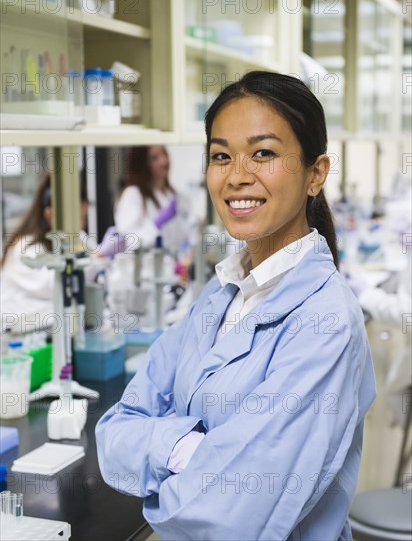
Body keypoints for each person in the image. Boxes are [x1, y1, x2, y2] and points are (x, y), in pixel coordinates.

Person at [96, 71, 376, 539]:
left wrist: (165, 450)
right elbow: (113, 433)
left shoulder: (327, 324)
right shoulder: (223, 292)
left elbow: (230, 516)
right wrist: (193, 452)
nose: (237, 176)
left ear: (316, 173)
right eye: (221, 156)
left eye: (263, 153)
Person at [1, 173, 122, 334]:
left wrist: (102, 257)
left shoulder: (76, 236)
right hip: (23, 338)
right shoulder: (24, 249)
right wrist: (100, 256)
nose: (80, 226)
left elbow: (98, 268)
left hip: (59, 331)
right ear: (50, 214)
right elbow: (56, 285)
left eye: (83, 218)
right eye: (77, 219)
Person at [114, 145, 193, 252]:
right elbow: (128, 242)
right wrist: (155, 224)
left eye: (164, 153)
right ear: (142, 163)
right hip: (146, 265)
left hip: (173, 263)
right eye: (154, 158)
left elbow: (182, 234)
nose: (164, 161)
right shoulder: (133, 194)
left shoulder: (172, 194)